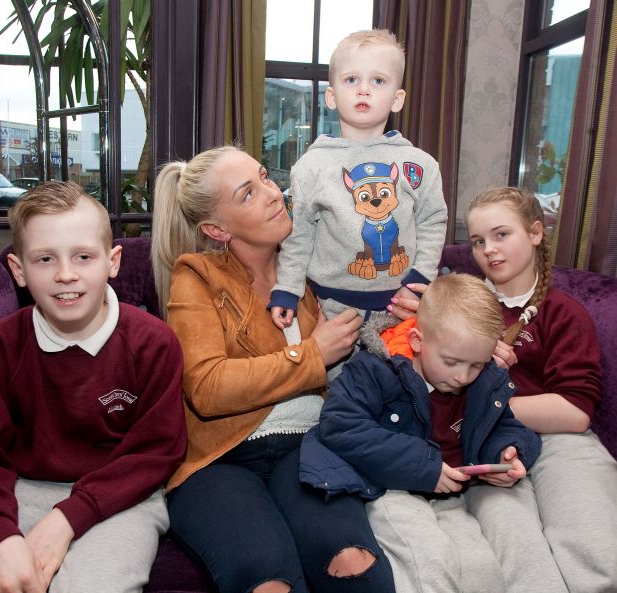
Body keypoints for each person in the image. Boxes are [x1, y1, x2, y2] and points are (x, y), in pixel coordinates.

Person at [0, 181, 187, 593]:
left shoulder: (154, 343)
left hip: (122, 497)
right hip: (15, 488)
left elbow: (156, 452)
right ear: (19, 270)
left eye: (83, 256)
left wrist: (68, 518)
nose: (65, 274)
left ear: (112, 261)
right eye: (45, 259)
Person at [151, 145, 396, 593]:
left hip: (309, 445)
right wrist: (312, 355)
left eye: (265, 177)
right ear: (215, 229)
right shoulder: (198, 277)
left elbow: (383, 297)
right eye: (247, 193)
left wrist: (416, 309)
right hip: (218, 460)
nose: (271, 193)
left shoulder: (317, 263)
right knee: (268, 583)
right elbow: (207, 387)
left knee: (353, 563)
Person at [300, 272, 542, 593]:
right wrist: (422, 466)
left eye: (476, 365)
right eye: (452, 362)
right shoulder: (374, 371)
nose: (463, 377)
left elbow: (507, 425)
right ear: (417, 340)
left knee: (482, 570)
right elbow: (339, 425)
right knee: (430, 562)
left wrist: (508, 451)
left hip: (451, 496)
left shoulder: (480, 379)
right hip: (388, 491)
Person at [463, 187, 617, 593]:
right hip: (487, 442)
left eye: (501, 235)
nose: (489, 251)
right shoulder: (461, 308)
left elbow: (574, 411)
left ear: (535, 233)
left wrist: (491, 402)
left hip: (562, 441)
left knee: (593, 550)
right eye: (478, 241)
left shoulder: (563, 311)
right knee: (521, 555)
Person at [269, 29, 447, 337]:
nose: (364, 89)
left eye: (378, 81)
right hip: (331, 309)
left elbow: (432, 222)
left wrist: (420, 280)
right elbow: (299, 235)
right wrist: (288, 287)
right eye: (352, 79)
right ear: (332, 96)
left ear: (397, 99)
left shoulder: (419, 165)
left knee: (401, 381)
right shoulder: (311, 166)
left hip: (400, 309)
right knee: (339, 385)